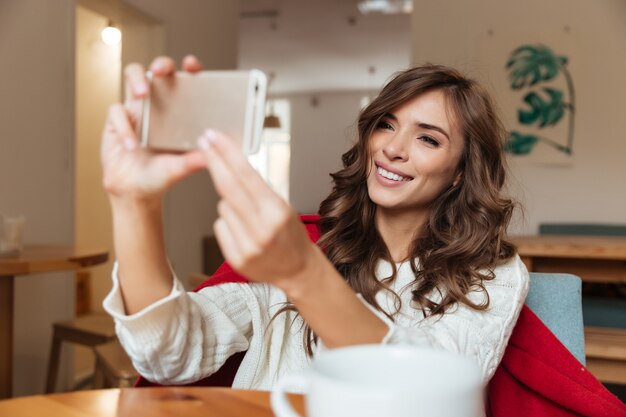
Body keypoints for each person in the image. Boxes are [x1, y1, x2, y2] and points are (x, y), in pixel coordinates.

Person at [101, 55, 529, 390]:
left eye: (428, 138)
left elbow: (429, 393)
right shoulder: (315, 244)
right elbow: (170, 353)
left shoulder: (492, 276)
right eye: (386, 124)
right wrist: (134, 204)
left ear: (459, 171)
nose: (393, 148)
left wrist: (303, 275)